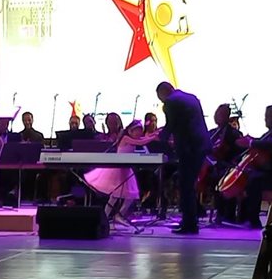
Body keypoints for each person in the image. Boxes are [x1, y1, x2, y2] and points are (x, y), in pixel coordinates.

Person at [83, 120, 160, 227]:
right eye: (137, 131)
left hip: (126, 170)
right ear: (130, 131)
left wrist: (154, 134)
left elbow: (143, 139)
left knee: (131, 196)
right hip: (118, 170)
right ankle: (104, 217)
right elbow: (141, 142)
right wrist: (153, 137)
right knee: (114, 196)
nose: (139, 133)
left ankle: (119, 215)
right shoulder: (125, 138)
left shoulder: (133, 138)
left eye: (140, 131)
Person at [156, 82, 208, 235]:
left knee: (185, 185)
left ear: (163, 93)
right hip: (201, 145)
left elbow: (171, 124)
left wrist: (159, 137)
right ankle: (191, 220)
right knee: (188, 184)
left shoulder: (170, 102)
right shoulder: (191, 98)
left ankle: (189, 224)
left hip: (189, 148)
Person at [235, 105, 272, 228]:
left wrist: (251, 143)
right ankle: (239, 216)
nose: (265, 119)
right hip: (269, 173)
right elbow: (263, 143)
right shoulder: (271, 133)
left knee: (253, 180)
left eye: (268, 116)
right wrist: (251, 141)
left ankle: (253, 220)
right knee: (248, 177)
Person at [206, 103, 243, 222]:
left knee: (220, 176)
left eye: (220, 114)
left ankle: (225, 213)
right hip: (213, 164)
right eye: (216, 114)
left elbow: (238, 154)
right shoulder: (212, 132)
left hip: (228, 165)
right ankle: (196, 210)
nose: (216, 116)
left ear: (227, 117)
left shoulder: (234, 134)